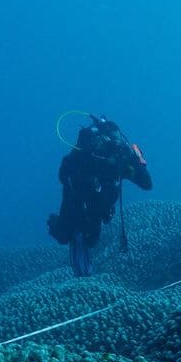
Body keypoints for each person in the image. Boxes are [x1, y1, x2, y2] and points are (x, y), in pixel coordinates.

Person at [46, 115, 151, 277]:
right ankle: (80, 274)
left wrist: (139, 160)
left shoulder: (121, 159)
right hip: (76, 205)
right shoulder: (86, 155)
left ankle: (82, 276)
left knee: (89, 239)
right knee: (68, 235)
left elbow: (147, 184)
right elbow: (64, 175)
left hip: (97, 210)